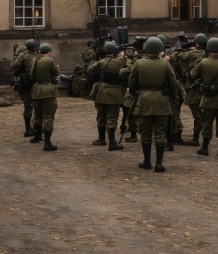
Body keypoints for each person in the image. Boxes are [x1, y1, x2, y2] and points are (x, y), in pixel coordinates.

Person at [127, 36, 178, 172]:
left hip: (144, 100)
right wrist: (174, 97)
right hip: (162, 100)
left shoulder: (138, 63)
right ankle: (159, 163)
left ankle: (147, 161)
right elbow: (173, 82)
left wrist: (135, 93)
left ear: (146, 49)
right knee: (160, 132)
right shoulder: (165, 64)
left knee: (145, 132)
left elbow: (131, 83)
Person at [189, 37, 218, 156]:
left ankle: (205, 148)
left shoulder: (204, 62)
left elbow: (193, 75)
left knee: (207, 122)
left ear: (208, 49)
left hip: (209, 97)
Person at [88, 42, 126, 151]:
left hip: (101, 92)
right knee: (112, 117)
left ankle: (101, 139)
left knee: (101, 116)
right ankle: (112, 141)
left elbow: (90, 70)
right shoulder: (120, 62)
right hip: (115, 92)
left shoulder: (101, 62)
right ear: (115, 52)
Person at [29, 43, 59, 151]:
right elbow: (56, 73)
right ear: (48, 51)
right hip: (48, 91)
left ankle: (37, 136)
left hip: (36, 90)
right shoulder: (49, 60)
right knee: (48, 115)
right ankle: (47, 142)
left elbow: (31, 75)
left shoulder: (34, 60)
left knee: (37, 114)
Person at [183, 34, 208, 146]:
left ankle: (196, 138)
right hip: (205, 89)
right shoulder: (207, 55)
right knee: (202, 113)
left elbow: (180, 58)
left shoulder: (191, 54)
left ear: (196, 43)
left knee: (197, 115)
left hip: (193, 88)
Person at [11, 39, 39, 136]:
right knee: (37, 106)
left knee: (27, 106)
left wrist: (16, 56)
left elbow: (13, 65)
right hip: (36, 85)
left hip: (25, 85)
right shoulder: (38, 56)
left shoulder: (22, 55)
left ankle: (28, 129)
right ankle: (36, 127)